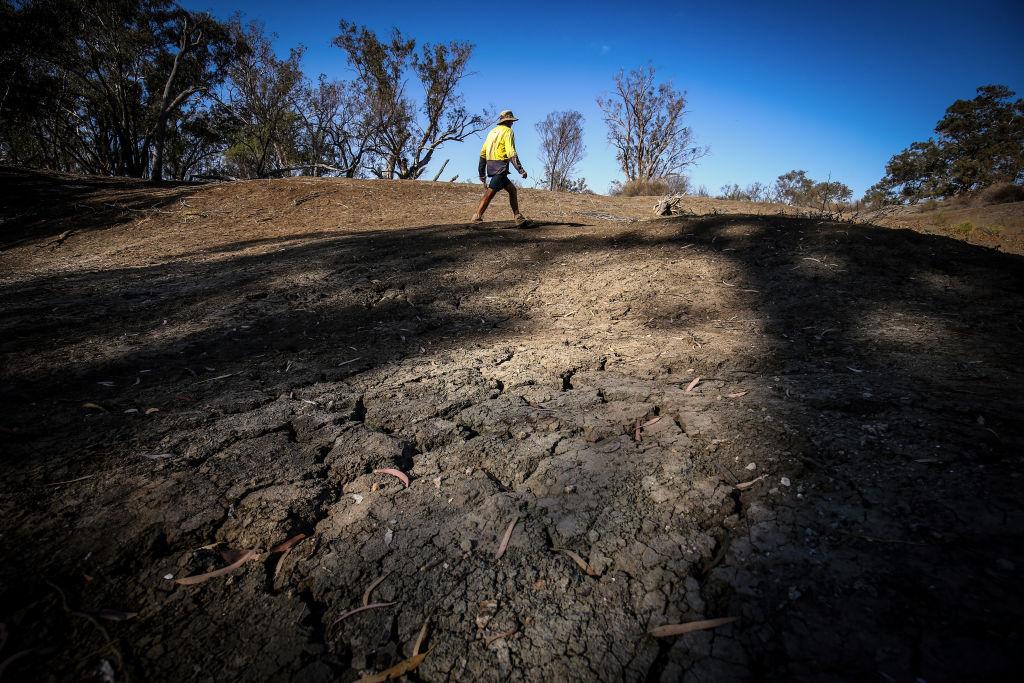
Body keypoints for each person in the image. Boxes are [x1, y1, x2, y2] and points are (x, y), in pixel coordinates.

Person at [472, 110, 529, 225]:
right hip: (500, 167)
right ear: (508, 121)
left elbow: (483, 153)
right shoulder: (508, 131)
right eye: (512, 121)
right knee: (490, 193)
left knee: (512, 190)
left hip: (491, 165)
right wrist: (521, 170)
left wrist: (481, 172)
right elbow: (511, 152)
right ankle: (476, 217)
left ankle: (518, 218)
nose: (512, 123)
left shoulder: (492, 132)